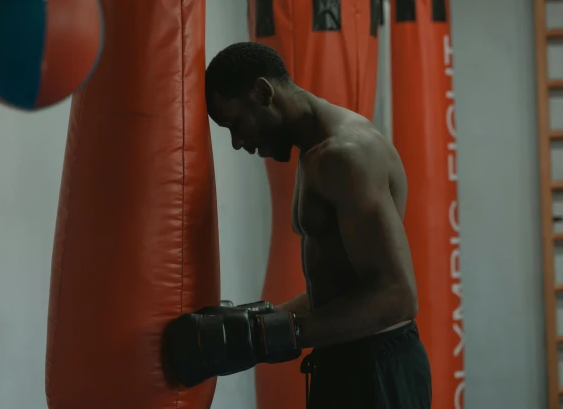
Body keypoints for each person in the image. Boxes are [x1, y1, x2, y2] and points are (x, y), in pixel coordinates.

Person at [163, 42, 431, 409]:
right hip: (346, 360)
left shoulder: (345, 155)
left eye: (235, 124)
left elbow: (398, 297)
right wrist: (257, 320)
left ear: (263, 91)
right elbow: (340, 288)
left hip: (377, 370)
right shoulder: (314, 153)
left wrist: (264, 337)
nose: (237, 142)